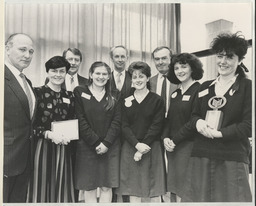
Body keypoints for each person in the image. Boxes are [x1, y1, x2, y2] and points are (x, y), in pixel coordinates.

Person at [182, 32, 252, 202]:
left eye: (229, 57)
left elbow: (249, 125)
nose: (223, 61)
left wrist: (220, 133)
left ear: (240, 60)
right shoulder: (205, 86)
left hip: (232, 157)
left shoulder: (248, 87)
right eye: (220, 56)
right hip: (202, 154)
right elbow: (194, 116)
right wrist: (198, 123)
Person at [74, 61, 121, 203]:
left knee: (107, 187)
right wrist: (95, 142)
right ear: (90, 74)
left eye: (104, 74)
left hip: (110, 146)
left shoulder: (115, 94)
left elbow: (117, 121)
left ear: (109, 77)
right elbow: (80, 119)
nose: (101, 77)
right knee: (89, 186)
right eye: (98, 73)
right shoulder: (80, 91)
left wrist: (106, 143)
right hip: (87, 146)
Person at [119, 61, 166, 203]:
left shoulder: (157, 100)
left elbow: (157, 126)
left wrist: (143, 145)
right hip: (130, 148)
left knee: (154, 190)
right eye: (134, 77)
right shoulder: (125, 99)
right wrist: (136, 145)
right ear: (131, 80)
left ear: (147, 78)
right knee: (133, 189)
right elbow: (123, 126)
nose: (138, 80)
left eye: (141, 76)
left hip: (151, 147)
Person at [30, 56, 75, 202]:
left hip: (63, 146)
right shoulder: (37, 93)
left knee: (62, 186)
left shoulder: (70, 96)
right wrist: (48, 134)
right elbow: (29, 125)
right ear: (47, 72)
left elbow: (73, 121)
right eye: (54, 71)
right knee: (41, 185)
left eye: (62, 71)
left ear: (66, 73)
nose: (58, 74)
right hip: (41, 147)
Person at [162, 53, 204, 202]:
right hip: (173, 149)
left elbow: (194, 121)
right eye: (176, 68)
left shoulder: (200, 91)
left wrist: (175, 140)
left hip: (189, 148)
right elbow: (168, 119)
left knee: (188, 189)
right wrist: (166, 137)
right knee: (175, 188)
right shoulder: (175, 94)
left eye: (184, 67)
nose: (180, 71)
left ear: (193, 68)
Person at [4, 33, 36, 203]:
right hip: (5, 159)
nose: (27, 55)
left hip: (24, 160)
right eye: (22, 49)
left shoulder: (27, 82)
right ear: (7, 49)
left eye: (31, 51)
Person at [109, 45, 132, 202]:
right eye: (116, 56)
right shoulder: (103, 77)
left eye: (122, 56)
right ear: (112, 58)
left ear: (127, 57)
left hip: (129, 130)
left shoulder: (134, 77)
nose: (120, 59)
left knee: (126, 171)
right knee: (111, 171)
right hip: (109, 131)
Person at [150, 46, 178, 116]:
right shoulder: (149, 82)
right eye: (157, 59)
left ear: (171, 59)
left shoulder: (179, 80)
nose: (160, 62)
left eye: (164, 58)